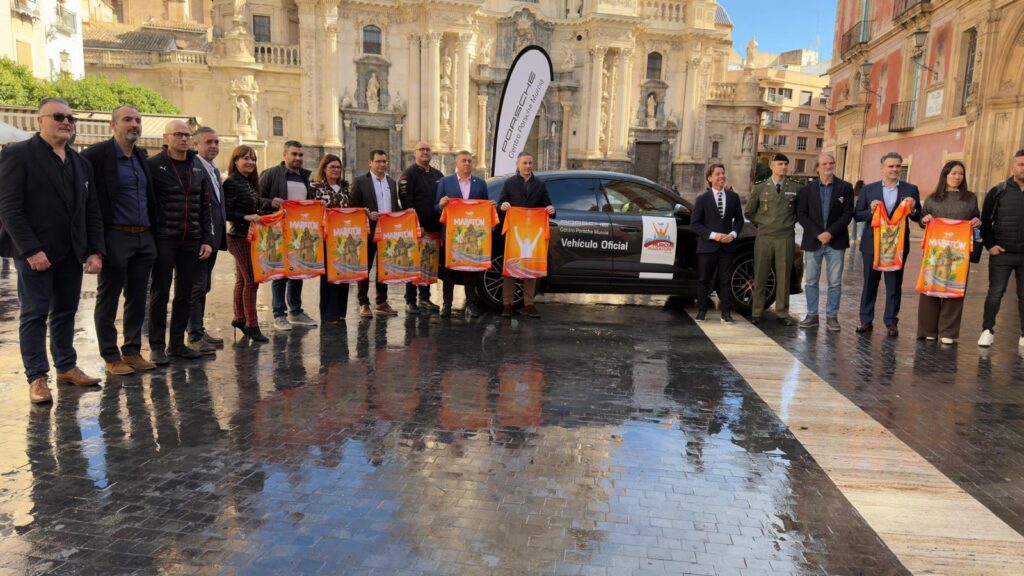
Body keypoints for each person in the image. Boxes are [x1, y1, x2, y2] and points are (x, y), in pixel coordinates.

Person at [0, 97, 105, 403]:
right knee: (34, 315)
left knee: (65, 312)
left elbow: (92, 210)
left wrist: (95, 250)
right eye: (59, 116)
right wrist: (31, 250)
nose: (66, 122)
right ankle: (37, 377)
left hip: (72, 252)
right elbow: (9, 208)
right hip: (34, 255)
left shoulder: (80, 162)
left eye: (71, 118)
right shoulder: (18, 155)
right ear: (40, 121)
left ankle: (66, 366)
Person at [82, 104, 158, 376]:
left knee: (138, 298)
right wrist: (94, 246)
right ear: (112, 125)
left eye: (138, 120)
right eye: (127, 120)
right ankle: (111, 356)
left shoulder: (141, 156)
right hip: (114, 236)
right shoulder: (96, 155)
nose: (134, 125)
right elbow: (87, 201)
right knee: (109, 298)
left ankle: (133, 350)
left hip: (143, 238)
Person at [147, 120, 215, 363]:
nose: (184, 139)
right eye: (178, 135)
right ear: (167, 137)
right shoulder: (154, 165)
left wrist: (207, 238)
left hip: (192, 239)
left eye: (187, 135)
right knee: (160, 292)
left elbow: (204, 204)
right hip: (164, 238)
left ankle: (176, 343)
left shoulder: (198, 166)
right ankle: (156, 345)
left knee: (185, 293)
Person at [853, 152, 921, 337]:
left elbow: (918, 216)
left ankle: (891, 322)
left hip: (897, 246)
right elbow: (857, 215)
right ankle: (866, 320)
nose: (895, 169)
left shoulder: (911, 189)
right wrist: (870, 211)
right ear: (882, 168)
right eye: (891, 166)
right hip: (872, 245)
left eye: (898, 166)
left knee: (894, 285)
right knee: (870, 283)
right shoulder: (869, 190)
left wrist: (913, 208)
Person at [917, 160, 979, 344]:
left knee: (955, 287)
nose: (957, 177)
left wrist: (976, 222)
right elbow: (922, 219)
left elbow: (977, 216)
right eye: (953, 173)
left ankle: (948, 333)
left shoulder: (970, 198)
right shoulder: (933, 198)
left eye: (960, 173)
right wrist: (925, 219)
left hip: (959, 252)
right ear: (945, 175)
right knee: (930, 288)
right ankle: (928, 329)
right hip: (935, 250)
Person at [259, 140, 316, 330]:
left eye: (300, 155)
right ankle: (278, 314)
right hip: (277, 231)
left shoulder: (305, 177)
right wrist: (270, 203)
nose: (298, 158)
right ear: (285, 155)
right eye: (294, 154)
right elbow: (257, 199)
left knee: (297, 271)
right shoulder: (271, 174)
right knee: (279, 272)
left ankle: (296, 311)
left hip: (300, 232)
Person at [796, 153, 855, 331]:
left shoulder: (845, 187)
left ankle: (832, 317)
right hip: (813, 242)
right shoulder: (807, 189)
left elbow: (848, 214)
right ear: (817, 167)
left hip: (836, 242)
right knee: (811, 281)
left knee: (835, 282)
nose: (828, 166)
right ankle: (812, 315)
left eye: (831, 163)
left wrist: (830, 233)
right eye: (824, 164)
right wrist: (818, 233)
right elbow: (801, 215)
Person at [744, 152, 800, 325]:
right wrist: (763, 224)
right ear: (772, 166)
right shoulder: (760, 187)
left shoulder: (795, 187)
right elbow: (749, 212)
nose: (783, 167)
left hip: (785, 237)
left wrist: (787, 223)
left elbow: (799, 212)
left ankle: (782, 313)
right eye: (780, 164)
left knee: (784, 276)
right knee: (761, 274)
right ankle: (757, 312)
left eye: (785, 164)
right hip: (765, 237)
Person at [498, 152, 555, 319]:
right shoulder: (509, 183)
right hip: (515, 233)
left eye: (530, 163)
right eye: (525, 163)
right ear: (518, 164)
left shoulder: (540, 184)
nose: (528, 166)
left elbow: (548, 205)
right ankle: (507, 305)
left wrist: (552, 210)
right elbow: (501, 204)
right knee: (510, 268)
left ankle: (529, 305)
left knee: (531, 268)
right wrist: (503, 206)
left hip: (531, 232)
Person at [435, 150, 492, 318]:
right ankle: (446, 304)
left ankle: (471, 303)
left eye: (469, 161)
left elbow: (485, 208)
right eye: (464, 161)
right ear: (456, 163)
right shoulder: (446, 182)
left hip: (474, 238)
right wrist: (441, 205)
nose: (467, 163)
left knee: (471, 271)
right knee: (449, 272)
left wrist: (491, 207)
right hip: (453, 236)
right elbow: (435, 208)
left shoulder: (480, 184)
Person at [224, 145, 271, 342]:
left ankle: (240, 318)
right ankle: (252, 324)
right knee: (252, 280)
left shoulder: (249, 183)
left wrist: (272, 204)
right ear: (235, 161)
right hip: (238, 237)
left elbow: (256, 203)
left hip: (249, 236)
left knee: (242, 280)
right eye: (245, 158)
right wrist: (247, 217)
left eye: (253, 159)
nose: (250, 162)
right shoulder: (232, 183)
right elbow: (225, 212)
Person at [978, 149, 1024, 348]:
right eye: (1021, 164)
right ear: (1012, 167)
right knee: (995, 292)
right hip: (1002, 253)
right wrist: (990, 246)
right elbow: (985, 221)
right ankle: (987, 330)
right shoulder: (998, 191)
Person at [188, 127, 227, 354]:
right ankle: (193, 335)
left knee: (204, 286)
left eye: (216, 142)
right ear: (197, 145)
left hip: (212, 238)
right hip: (200, 239)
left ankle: (199, 330)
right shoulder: (195, 167)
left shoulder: (213, 168)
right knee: (196, 287)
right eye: (208, 142)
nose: (213, 146)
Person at [350, 149, 402, 318]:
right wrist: (365, 213)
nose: (381, 165)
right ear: (370, 163)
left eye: (384, 161)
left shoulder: (392, 182)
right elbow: (352, 207)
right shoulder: (360, 182)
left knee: (384, 267)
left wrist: (406, 214)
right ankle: (364, 303)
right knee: (365, 267)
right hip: (368, 231)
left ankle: (381, 302)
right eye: (378, 161)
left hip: (387, 233)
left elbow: (394, 206)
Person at [689, 163, 744, 323]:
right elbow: (695, 224)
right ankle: (702, 311)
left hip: (727, 247)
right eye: (718, 174)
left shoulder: (733, 197)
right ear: (710, 178)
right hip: (707, 247)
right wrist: (713, 235)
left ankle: (726, 313)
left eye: (723, 173)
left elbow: (739, 220)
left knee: (725, 280)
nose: (722, 176)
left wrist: (733, 234)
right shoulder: (702, 199)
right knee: (704, 280)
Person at [400, 141, 444, 314]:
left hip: (433, 230)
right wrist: (417, 225)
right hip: (417, 229)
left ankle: (424, 298)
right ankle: (410, 301)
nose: (425, 152)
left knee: (428, 264)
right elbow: (406, 201)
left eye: (428, 149)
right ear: (414, 153)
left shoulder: (438, 174)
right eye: (421, 150)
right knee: (413, 264)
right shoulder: (408, 175)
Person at [309, 154, 352, 323]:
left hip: (344, 237)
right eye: (332, 167)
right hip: (326, 237)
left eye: (338, 167)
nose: (336, 170)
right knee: (329, 277)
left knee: (344, 275)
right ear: (324, 168)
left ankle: (341, 312)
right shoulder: (316, 187)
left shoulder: (346, 187)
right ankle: (329, 314)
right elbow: (311, 210)